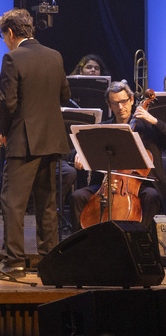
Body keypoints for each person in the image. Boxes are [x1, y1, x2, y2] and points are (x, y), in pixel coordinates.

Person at [0, 8, 71, 279]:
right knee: (47, 203)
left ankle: (14, 262)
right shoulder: (55, 56)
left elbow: (8, 103)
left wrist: (3, 132)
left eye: (3, 35)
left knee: (13, 203)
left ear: (11, 33)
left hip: (23, 141)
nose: (4, 40)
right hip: (51, 139)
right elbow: (65, 95)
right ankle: (50, 261)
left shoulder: (12, 58)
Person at [70, 81, 166, 231]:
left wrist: (155, 121)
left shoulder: (148, 127)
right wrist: (79, 155)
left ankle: (138, 238)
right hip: (106, 184)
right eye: (115, 103)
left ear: (132, 100)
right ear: (109, 105)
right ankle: (83, 246)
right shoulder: (105, 127)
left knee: (151, 196)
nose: (120, 107)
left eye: (123, 101)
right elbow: (83, 146)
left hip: (142, 185)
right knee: (78, 196)